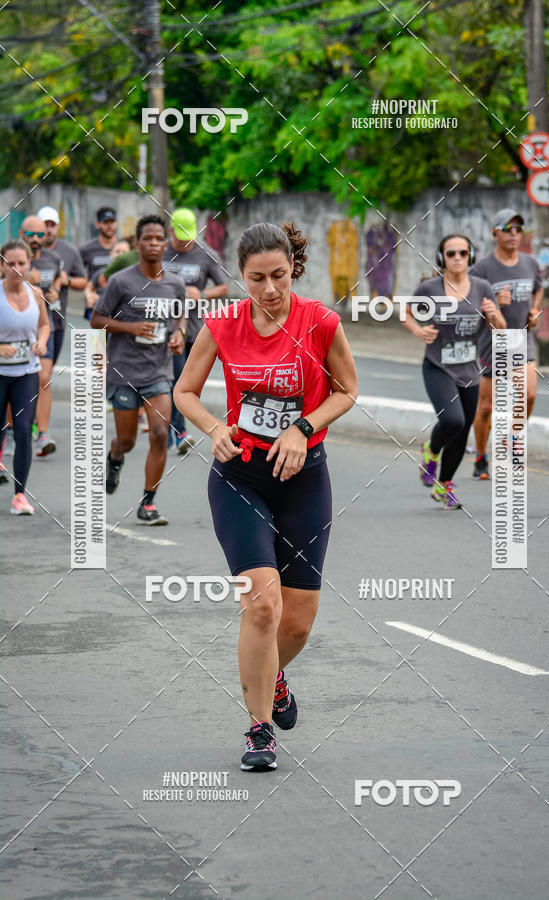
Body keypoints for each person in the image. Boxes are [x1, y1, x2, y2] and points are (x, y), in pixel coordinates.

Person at [174, 222, 358, 771]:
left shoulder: (320, 322)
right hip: (241, 476)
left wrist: (303, 427)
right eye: (257, 279)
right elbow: (184, 391)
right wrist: (214, 428)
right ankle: (259, 730)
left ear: (293, 269)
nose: (270, 289)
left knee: (296, 621)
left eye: (279, 275)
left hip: (304, 478)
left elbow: (347, 390)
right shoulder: (223, 324)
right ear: (241, 275)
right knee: (261, 605)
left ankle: (272, 673)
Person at [90, 215, 185, 525]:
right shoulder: (121, 281)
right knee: (127, 441)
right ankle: (115, 456)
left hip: (158, 372)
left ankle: (148, 504)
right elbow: (96, 319)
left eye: (159, 238)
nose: (154, 243)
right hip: (124, 373)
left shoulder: (175, 283)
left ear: (165, 243)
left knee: (159, 434)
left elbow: (180, 315)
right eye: (148, 238)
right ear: (138, 243)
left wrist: (179, 333)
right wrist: (130, 327)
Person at [402, 234, 505, 509]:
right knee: (453, 421)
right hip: (438, 366)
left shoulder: (482, 287)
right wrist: (419, 331)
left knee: (462, 431)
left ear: (470, 256)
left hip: (470, 370)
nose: (458, 258)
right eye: (451, 253)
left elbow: (501, 327)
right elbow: (405, 313)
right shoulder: (430, 288)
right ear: (442, 258)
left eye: (463, 253)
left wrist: (494, 315)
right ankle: (432, 451)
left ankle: (443, 484)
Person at [470, 208, 543, 479]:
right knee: (486, 408)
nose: (514, 234)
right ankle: (480, 456)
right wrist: (493, 304)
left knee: (530, 394)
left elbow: (538, 288)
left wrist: (535, 311)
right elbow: (468, 304)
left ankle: (510, 440)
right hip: (492, 344)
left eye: (518, 229)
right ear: (495, 233)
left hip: (521, 340)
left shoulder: (530, 263)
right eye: (508, 229)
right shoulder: (482, 269)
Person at [163, 208, 228, 454]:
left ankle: (168, 431)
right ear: (170, 231)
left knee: (184, 381)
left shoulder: (206, 254)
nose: (185, 243)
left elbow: (223, 287)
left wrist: (201, 293)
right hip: (164, 326)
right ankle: (179, 432)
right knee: (175, 378)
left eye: (189, 238)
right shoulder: (160, 251)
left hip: (194, 328)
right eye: (180, 238)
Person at [0, 239, 50, 514]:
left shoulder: (36, 294)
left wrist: (41, 341)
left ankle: (19, 495)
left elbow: (44, 324)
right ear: (2, 265)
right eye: (11, 264)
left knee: (22, 430)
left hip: (26, 372)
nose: (17, 268)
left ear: (29, 264)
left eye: (22, 263)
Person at [37, 204, 88, 440]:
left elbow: (82, 281)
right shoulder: (25, 252)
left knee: (43, 375)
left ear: (58, 227)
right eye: (44, 225)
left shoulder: (68, 252)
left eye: (52, 225)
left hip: (56, 323)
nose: (48, 229)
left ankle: (33, 422)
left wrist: (66, 281)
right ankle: (36, 430)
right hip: (30, 325)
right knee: (41, 377)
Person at [18, 215, 63, 457]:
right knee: (14, 379)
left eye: (39, 234)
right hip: (17, 328)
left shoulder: (53, 259)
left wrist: (55, 292)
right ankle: (12, 432)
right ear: (21, 234)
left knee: (44, 378)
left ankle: (43, 435)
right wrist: (26, 280)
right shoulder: (12, 256)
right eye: (30, 234)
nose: (35, 239)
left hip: (47, 326)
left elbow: (57, 282)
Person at [79, 206, 118, 318]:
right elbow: (77, 274)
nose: (109, 226)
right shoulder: (87, 249)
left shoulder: (123, 247)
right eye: (105, 222)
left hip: (118, 303)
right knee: (97, 329)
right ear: (97, 224)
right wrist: (88, 292)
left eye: (112, 222)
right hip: (95, 305)